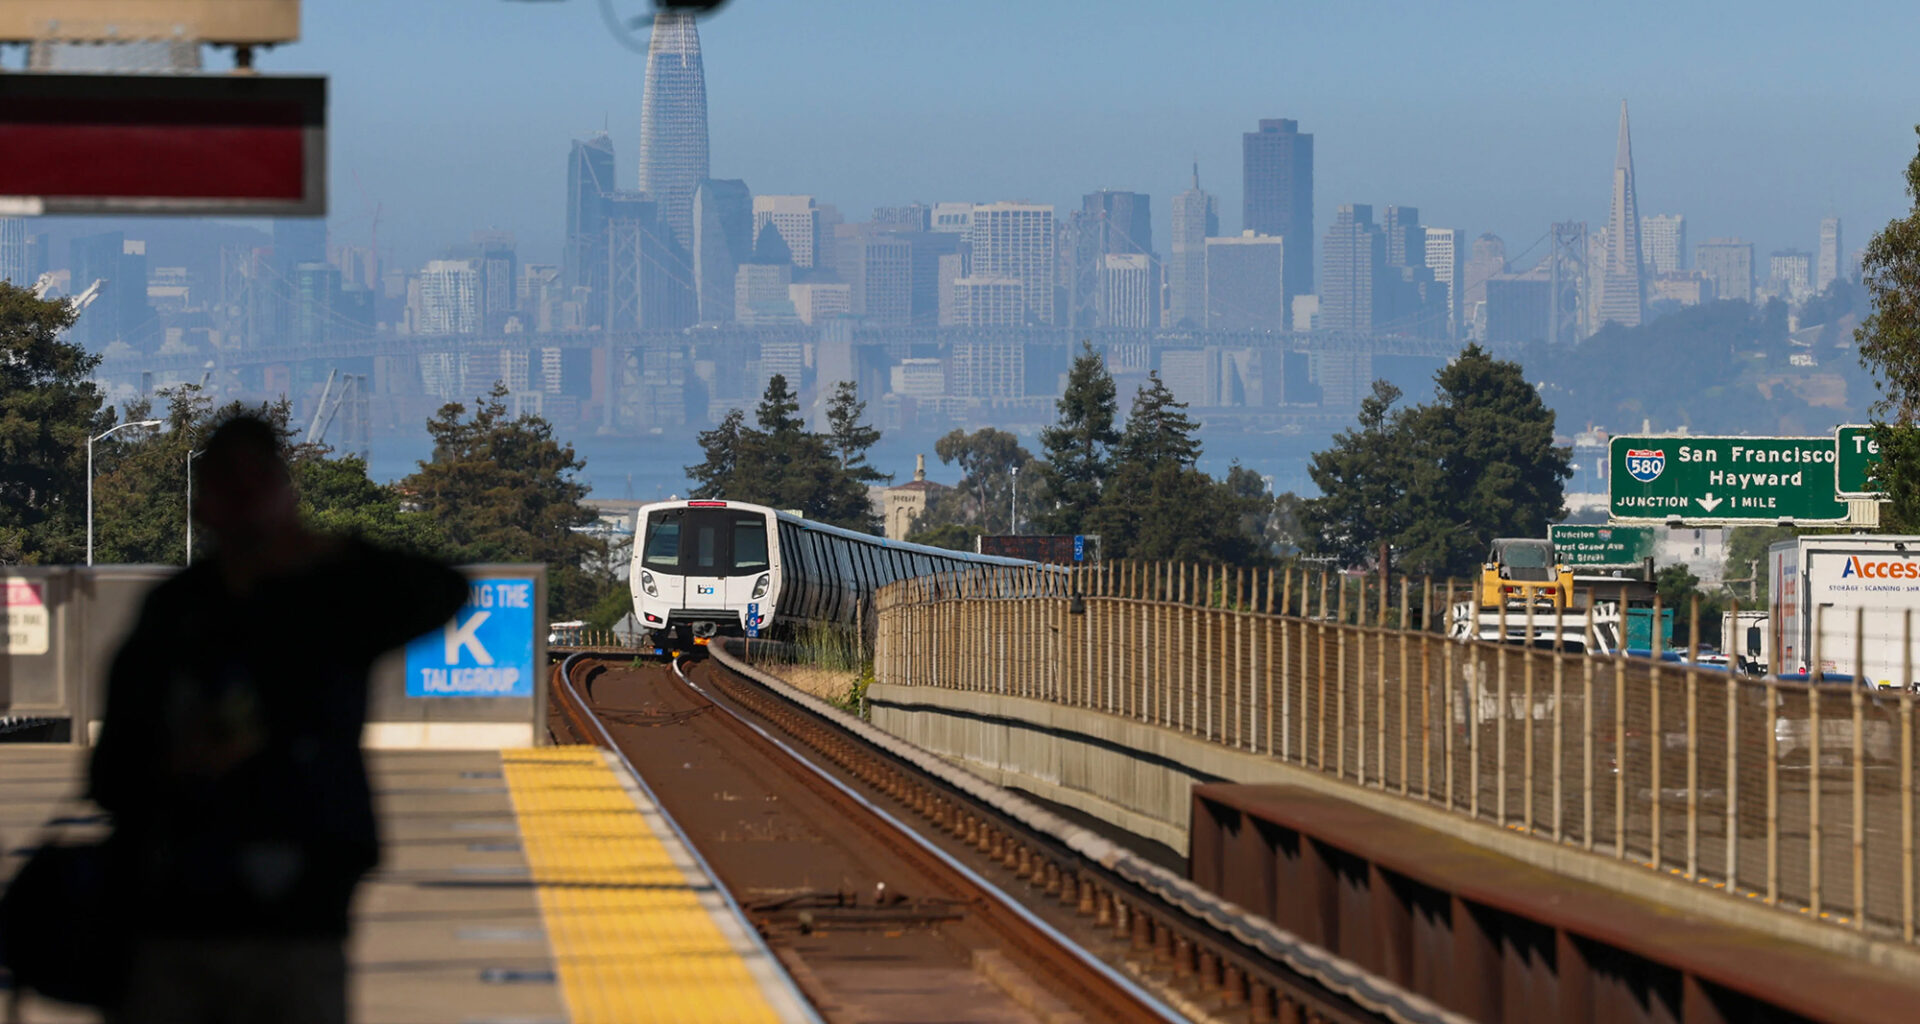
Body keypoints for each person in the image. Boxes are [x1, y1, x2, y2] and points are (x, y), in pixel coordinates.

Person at [88, 415, 467, 1024]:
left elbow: (440, 589)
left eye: (255, 487)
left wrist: (319, 552)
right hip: (211, 906)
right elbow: (112, 773)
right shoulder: (219, 611)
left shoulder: (216, 608)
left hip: (254, 906)